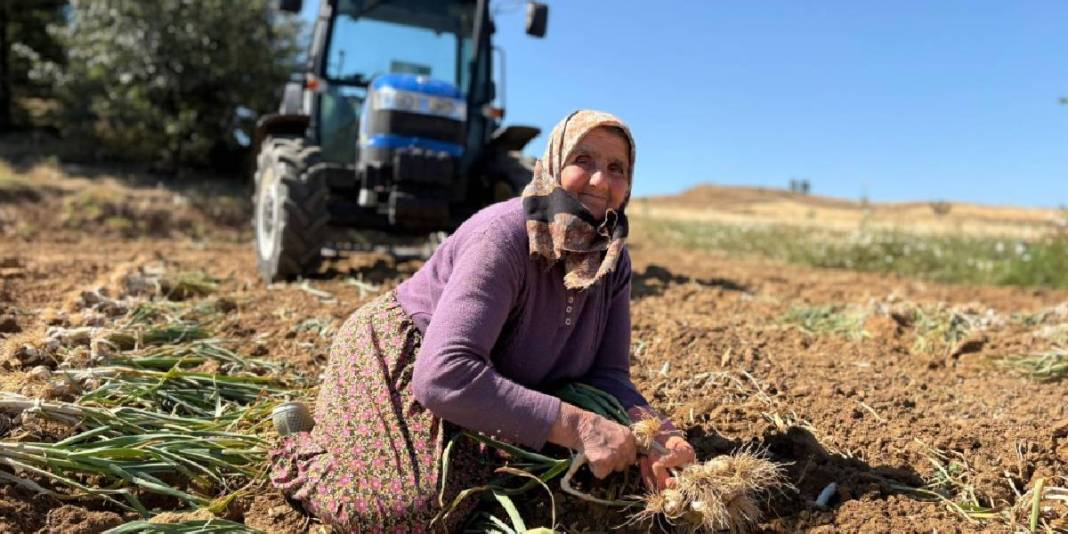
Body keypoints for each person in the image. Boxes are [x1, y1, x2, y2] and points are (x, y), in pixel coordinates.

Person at [269, 109, 696, 532]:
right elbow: (442, 374)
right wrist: (581, 425)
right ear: (552, 164)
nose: (601, 180)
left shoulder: (611, 261)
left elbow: (609, 375)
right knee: (419, 507)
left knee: (496, 477)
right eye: (583, 161)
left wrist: (656, 431)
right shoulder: (505, 236)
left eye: (616, 168)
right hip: (407, 353)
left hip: (484, 377)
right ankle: (298, 446)